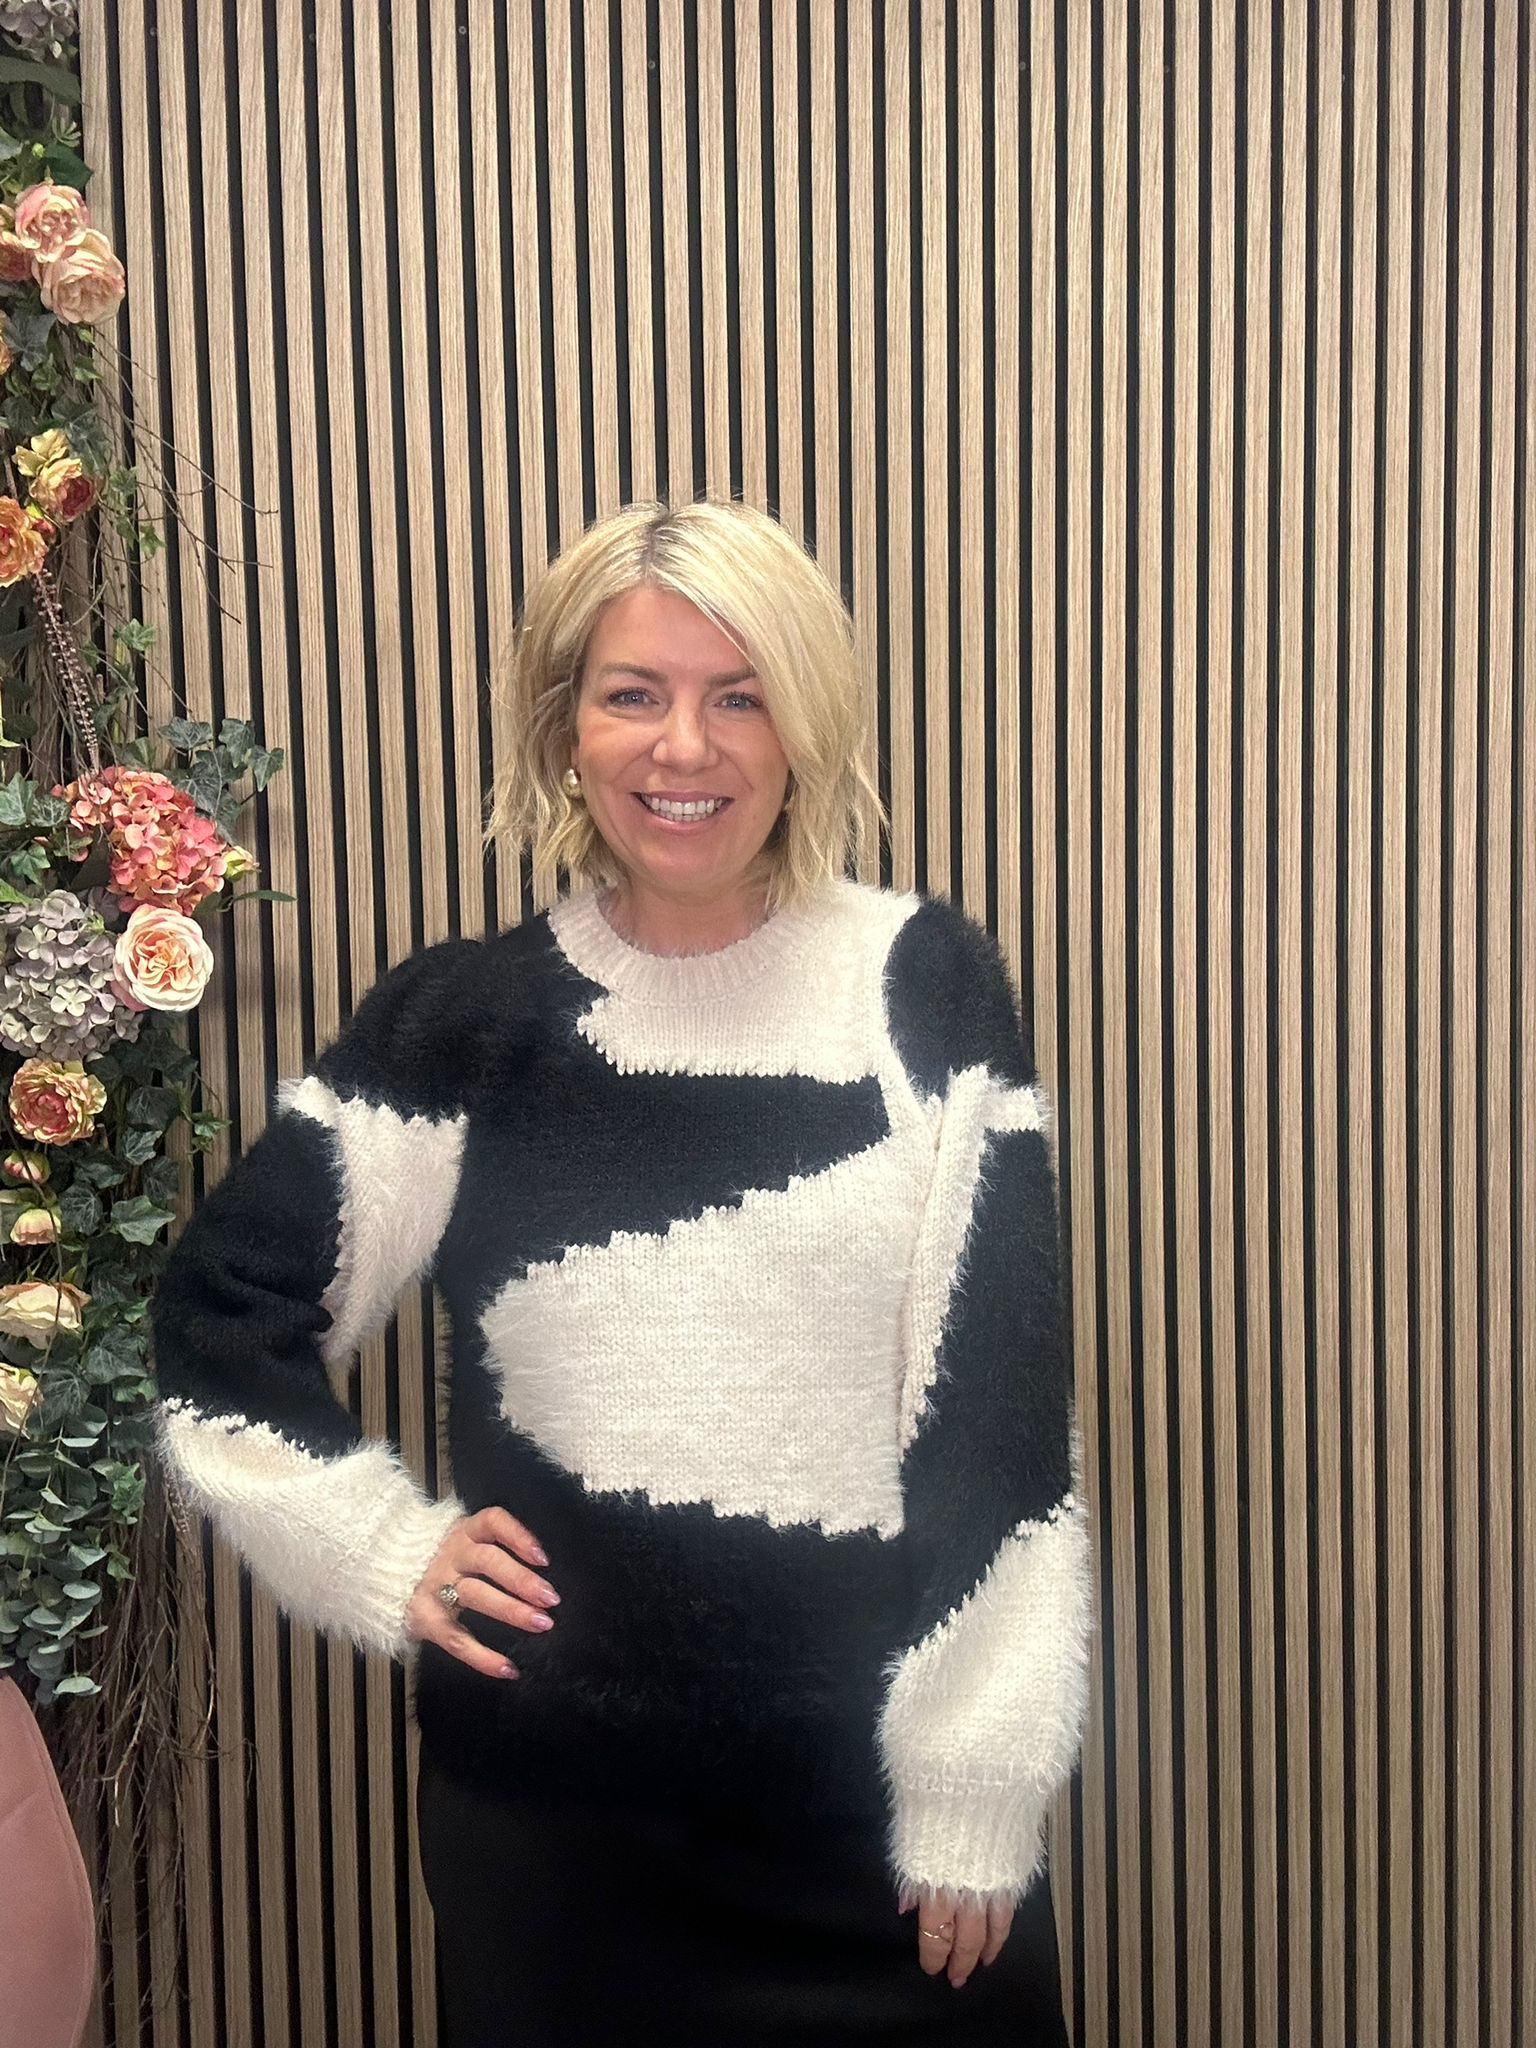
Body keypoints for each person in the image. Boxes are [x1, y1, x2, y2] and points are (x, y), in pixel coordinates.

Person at [148, 498, 1094, 2046]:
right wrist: (376, 1548)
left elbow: (1004, 1421)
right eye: (634, 694)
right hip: (559, 1851)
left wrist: (976, 1779)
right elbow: (216, 1326)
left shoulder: (921, 986)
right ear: (565, 727)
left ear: (805, 726)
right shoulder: (461, 1026)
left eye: (742, 696)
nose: (685, 748)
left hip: (883, 1832)